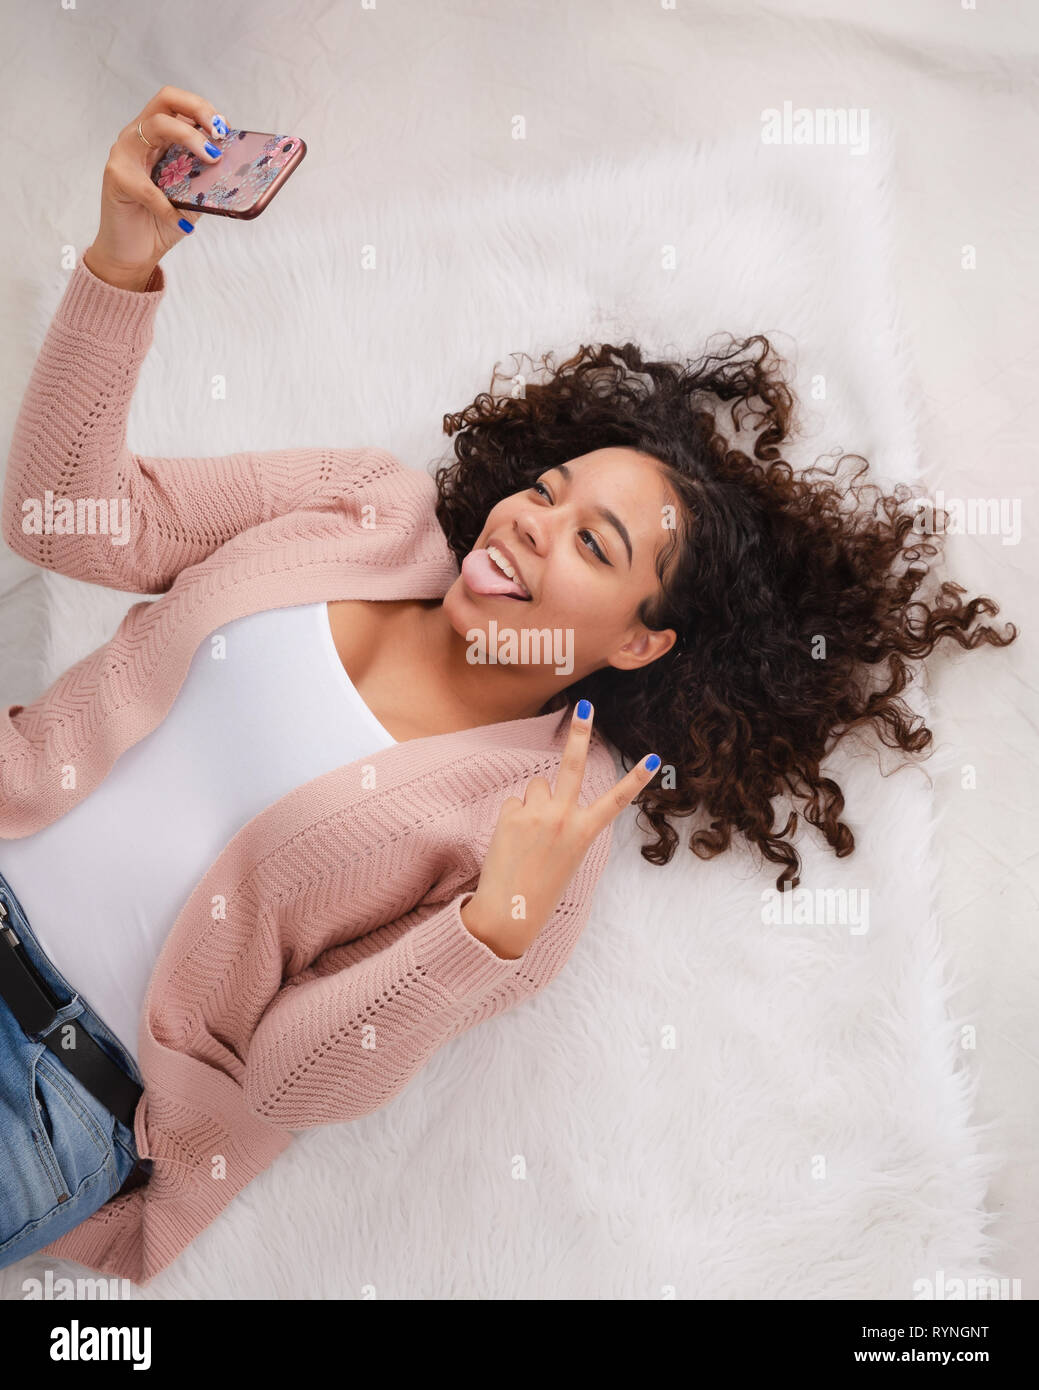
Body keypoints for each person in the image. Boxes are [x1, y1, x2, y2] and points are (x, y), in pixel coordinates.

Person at [0, 85, 1017, 1280]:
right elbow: (66, 516)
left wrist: (488, 932)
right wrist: (124, 261)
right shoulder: (363, 503)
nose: (533, 527)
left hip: (53, 1084)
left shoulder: (536, 825)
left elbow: (288, 1079)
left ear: (640, 642)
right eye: (546, 493)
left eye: (593, 545)